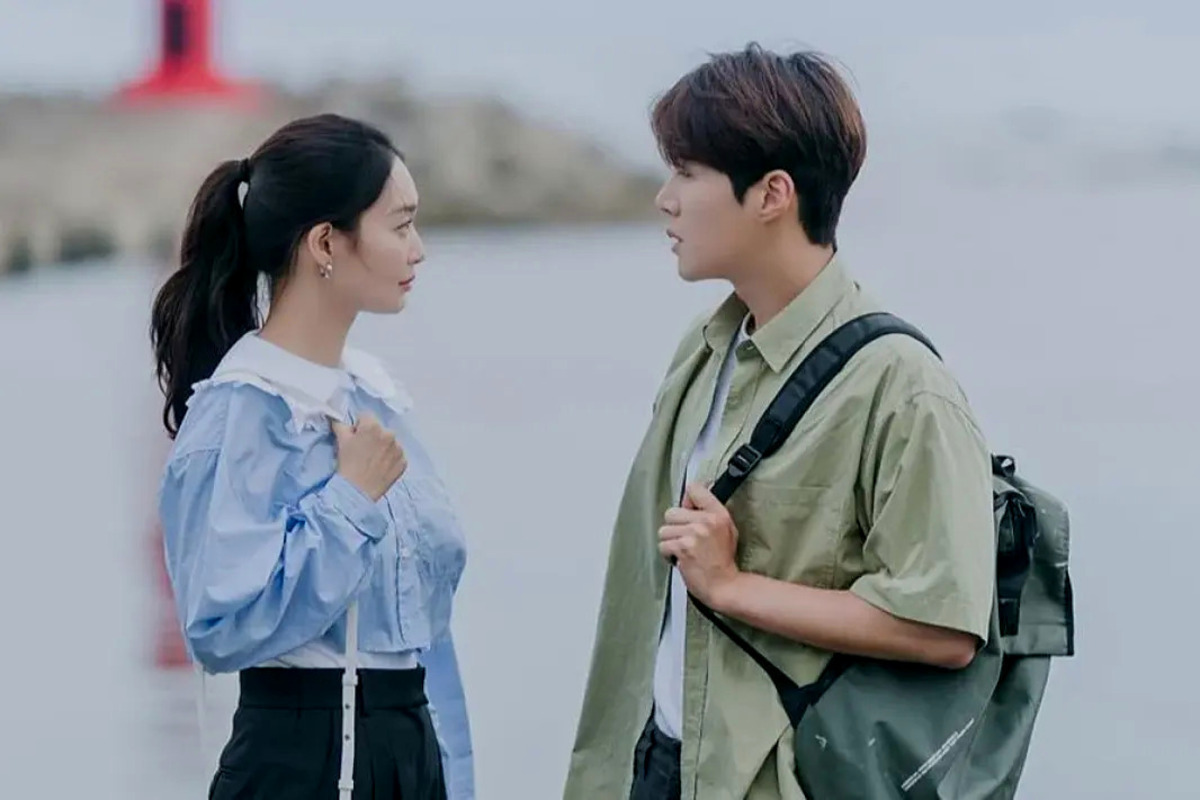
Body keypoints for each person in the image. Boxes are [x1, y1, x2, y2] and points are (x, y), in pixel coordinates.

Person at [563, 44, 995, 800]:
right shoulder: (705, 350)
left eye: (687, 173)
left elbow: (944, 627)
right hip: (659, 760)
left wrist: (732, 586)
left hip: (775, 779)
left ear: (772, 194)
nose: (664, 199)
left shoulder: (902, 386)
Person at [151, 113, 473, 800]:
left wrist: (454, 774)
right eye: (401, 226)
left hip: (411, 750)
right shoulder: (242, 410)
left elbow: (427, 638)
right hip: (303, 758)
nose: (419, 250)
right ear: (326, 241)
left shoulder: (377, 397)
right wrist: (348, 501)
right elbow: (218, 626)